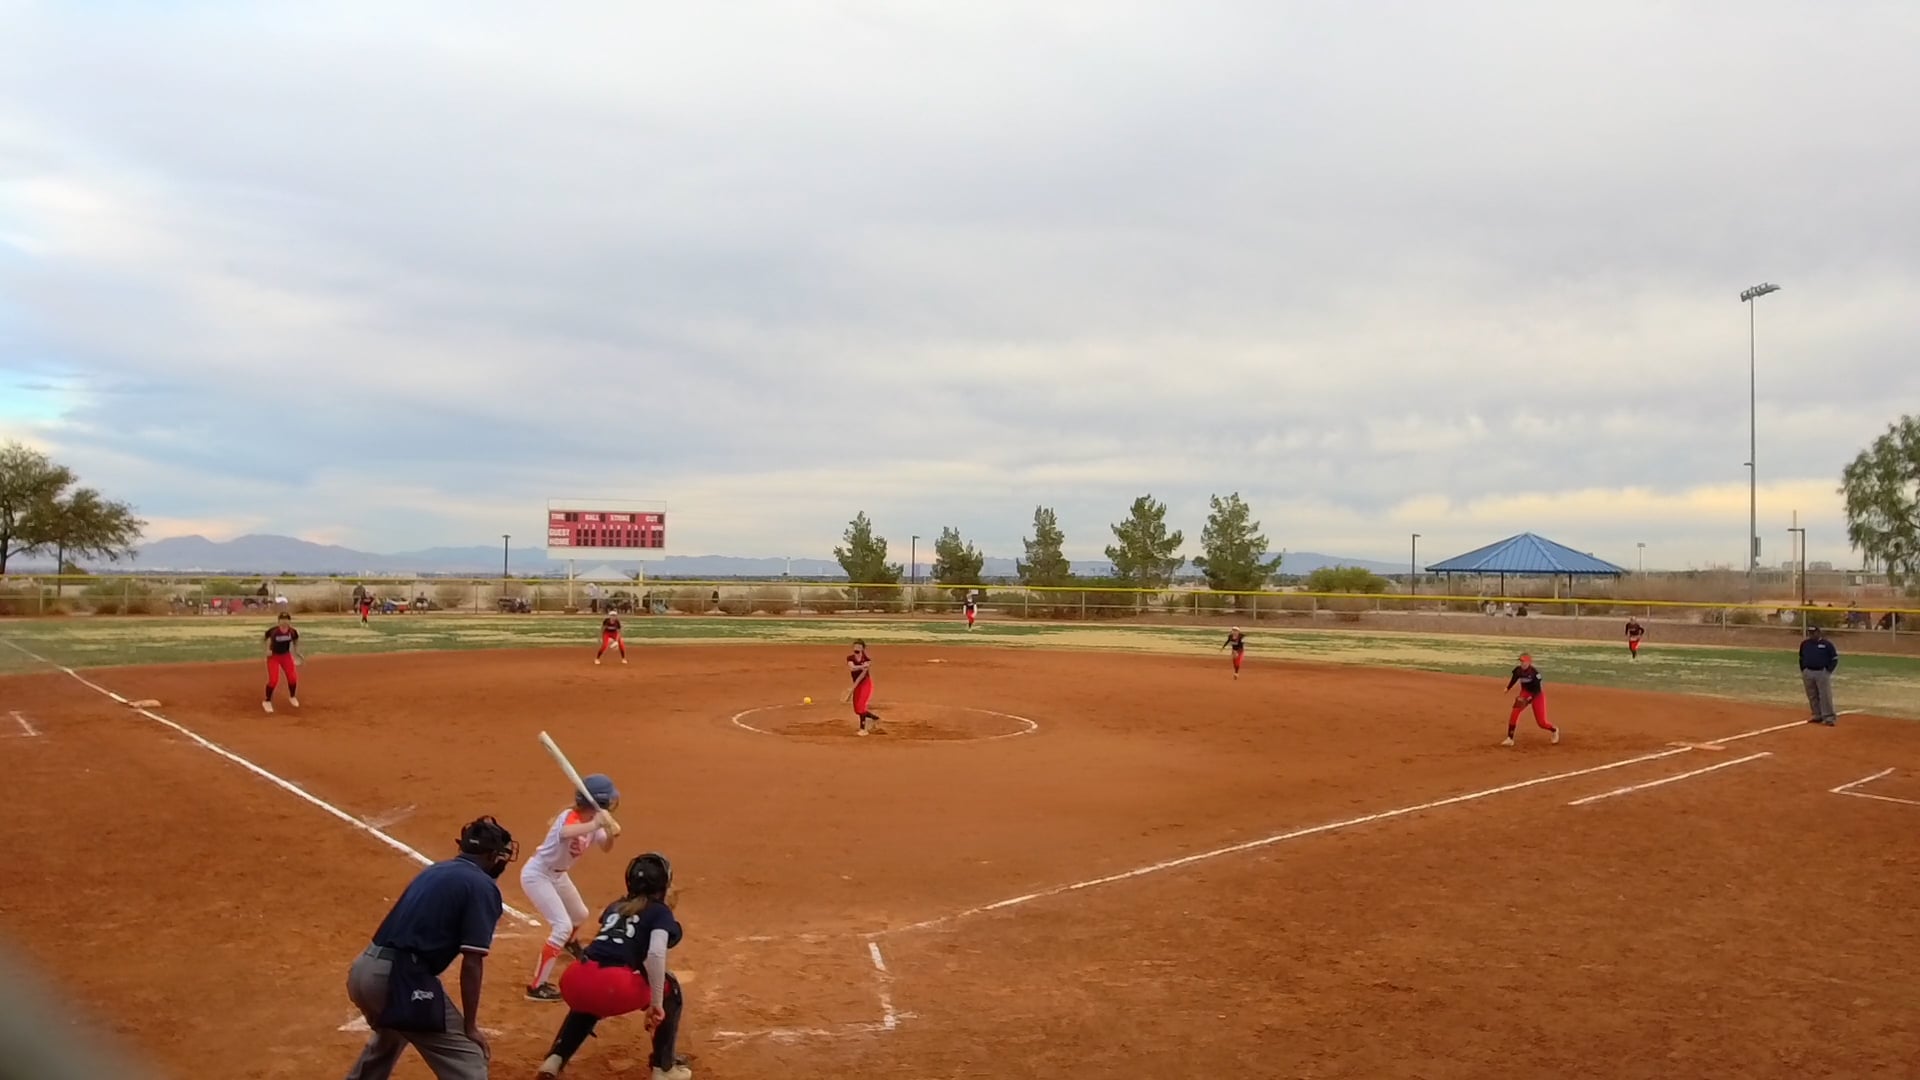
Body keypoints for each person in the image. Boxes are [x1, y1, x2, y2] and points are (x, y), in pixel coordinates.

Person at [343, 815, 518, 1080]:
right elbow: (472, 962)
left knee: (393, 1033)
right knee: (469, 1059)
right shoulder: (482, 886)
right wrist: (470, 1026)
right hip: (397, 979)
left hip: (362, 972)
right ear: (493, 856)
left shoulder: (435, 870)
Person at [536, 853, 690, 1080]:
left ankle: (555, 1059)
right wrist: (656, 1004)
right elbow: (655, 954)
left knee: (591, 997)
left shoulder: (615, 906)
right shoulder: (659, 911)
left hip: (575, 977)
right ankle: (663, 1069)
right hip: (612, 985)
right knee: (671, 988)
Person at [522, 775, 622, 1002]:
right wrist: (597, 824)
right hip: (538, 875)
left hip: (559, 875)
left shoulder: (594, 820)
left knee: (580, 914)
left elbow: (606, 847)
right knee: (562, 926)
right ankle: (536, 987)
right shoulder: (569, 817)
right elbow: (566, 833)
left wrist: (610, 833)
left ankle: (569, 942)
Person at [1503, 653, 1559, 747]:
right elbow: (1514, 678)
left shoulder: (1535, 673)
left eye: (1523, 661)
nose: (1522, 663)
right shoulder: (1518, 670)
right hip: (1525, 693)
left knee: (1541, 723)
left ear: (1529, 662)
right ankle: (1510, 738)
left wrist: (1530, 699)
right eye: (1521, 661)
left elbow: (1537, 689)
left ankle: (1554, 730)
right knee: (1514, 712)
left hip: (1537, 695)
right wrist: (1508, 688)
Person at [263, 612, 303, 714]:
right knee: (273, 680)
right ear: (279, 621)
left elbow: (295, 640)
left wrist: (297, 652)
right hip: (274, 657)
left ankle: (292, 697)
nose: (284, 621)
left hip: (285, 656)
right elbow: (268, 640)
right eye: (282, 619)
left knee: (292, 677)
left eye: (286, 619)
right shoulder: (274, 631)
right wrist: (267, 650)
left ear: (289, 621)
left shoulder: (292, 632)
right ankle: (267, 701)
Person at [1799, 627, 1840, 726]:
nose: (1811, 635)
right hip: (1808, 672)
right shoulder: (1805, 644)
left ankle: (1829, 717)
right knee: (1812, 695)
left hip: (1821, 672)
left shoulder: (1827, 644)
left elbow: (1834, 658)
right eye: (1810, 633)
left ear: (1818, 633)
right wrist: (1803, 669)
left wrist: (1828, 670)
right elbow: (1801, 657)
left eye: (1813, 633)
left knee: (1825, 695)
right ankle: (1817, 715)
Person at [848, 640, 881, 736]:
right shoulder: (850, 658)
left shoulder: (867, 659)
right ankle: (875, 718)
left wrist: (863, 667)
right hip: (857, 685)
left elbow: (862, 675)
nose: (856, 648)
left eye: (859, 647)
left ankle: (863, 729)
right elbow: (852, 668)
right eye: (855, 646)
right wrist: (862, 666)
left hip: (865, 684)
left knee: (861, 706)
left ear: (863, 648)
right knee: (857, 710)